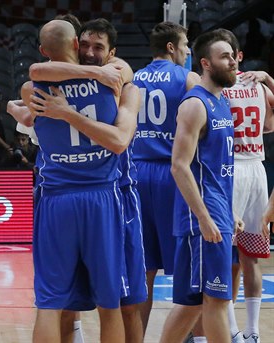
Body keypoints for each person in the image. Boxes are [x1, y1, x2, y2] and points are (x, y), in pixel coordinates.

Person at [9, 17, 142, 342]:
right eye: (86, 45)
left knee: (50, 304)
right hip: (101, 198)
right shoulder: (112, 85)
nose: (92, 52)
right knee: (109, 305)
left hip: (59, 199)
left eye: (99, 48)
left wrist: (22, 112)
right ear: (75, 45)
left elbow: (34, 82)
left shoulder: (33, 90)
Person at [159, 30, 238, 343]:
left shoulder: (222, 101)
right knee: (216, 301)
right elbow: (179, 165)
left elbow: (217, 169)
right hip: (202, 218)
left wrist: (230, 212)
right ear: (206, 63)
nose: (232, 61)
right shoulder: (195, 105)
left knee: (192, 305)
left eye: (233, 55)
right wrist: (204, 217)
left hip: (218, 211)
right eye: (225, 57)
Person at [129, 21, 201, 335]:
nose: (188, 52)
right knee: (188, 271)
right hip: (173, 173)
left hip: (136, 173)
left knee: (142, 272)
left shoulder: (131, 78)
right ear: (171, 47)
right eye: (185, 46)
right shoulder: (188, 78)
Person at [217, 28, 274, 343]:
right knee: (251, 258)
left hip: (230, 170)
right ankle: (253, 333)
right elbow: (269, 126)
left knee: (223, 255)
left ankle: (232, 332)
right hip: (257, 170)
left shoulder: (217, 86)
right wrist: (266, 78)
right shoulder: (259, 86)